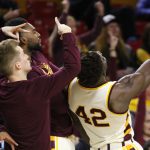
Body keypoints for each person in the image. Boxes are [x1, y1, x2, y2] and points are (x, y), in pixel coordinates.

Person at [0, 17, 80, 150]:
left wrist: (3, 32)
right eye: (34, 31)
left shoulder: (4, 85)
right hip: (53, 136)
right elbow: (72, 68)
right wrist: (67, 34)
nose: (26, 56)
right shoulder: (36, 88)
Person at [68, 51, 150, 149]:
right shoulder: (116, 93)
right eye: (102, 57)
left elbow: (77, 122)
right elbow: (144, 74)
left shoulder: (71, 88)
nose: (100, 53)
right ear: (103, 72)